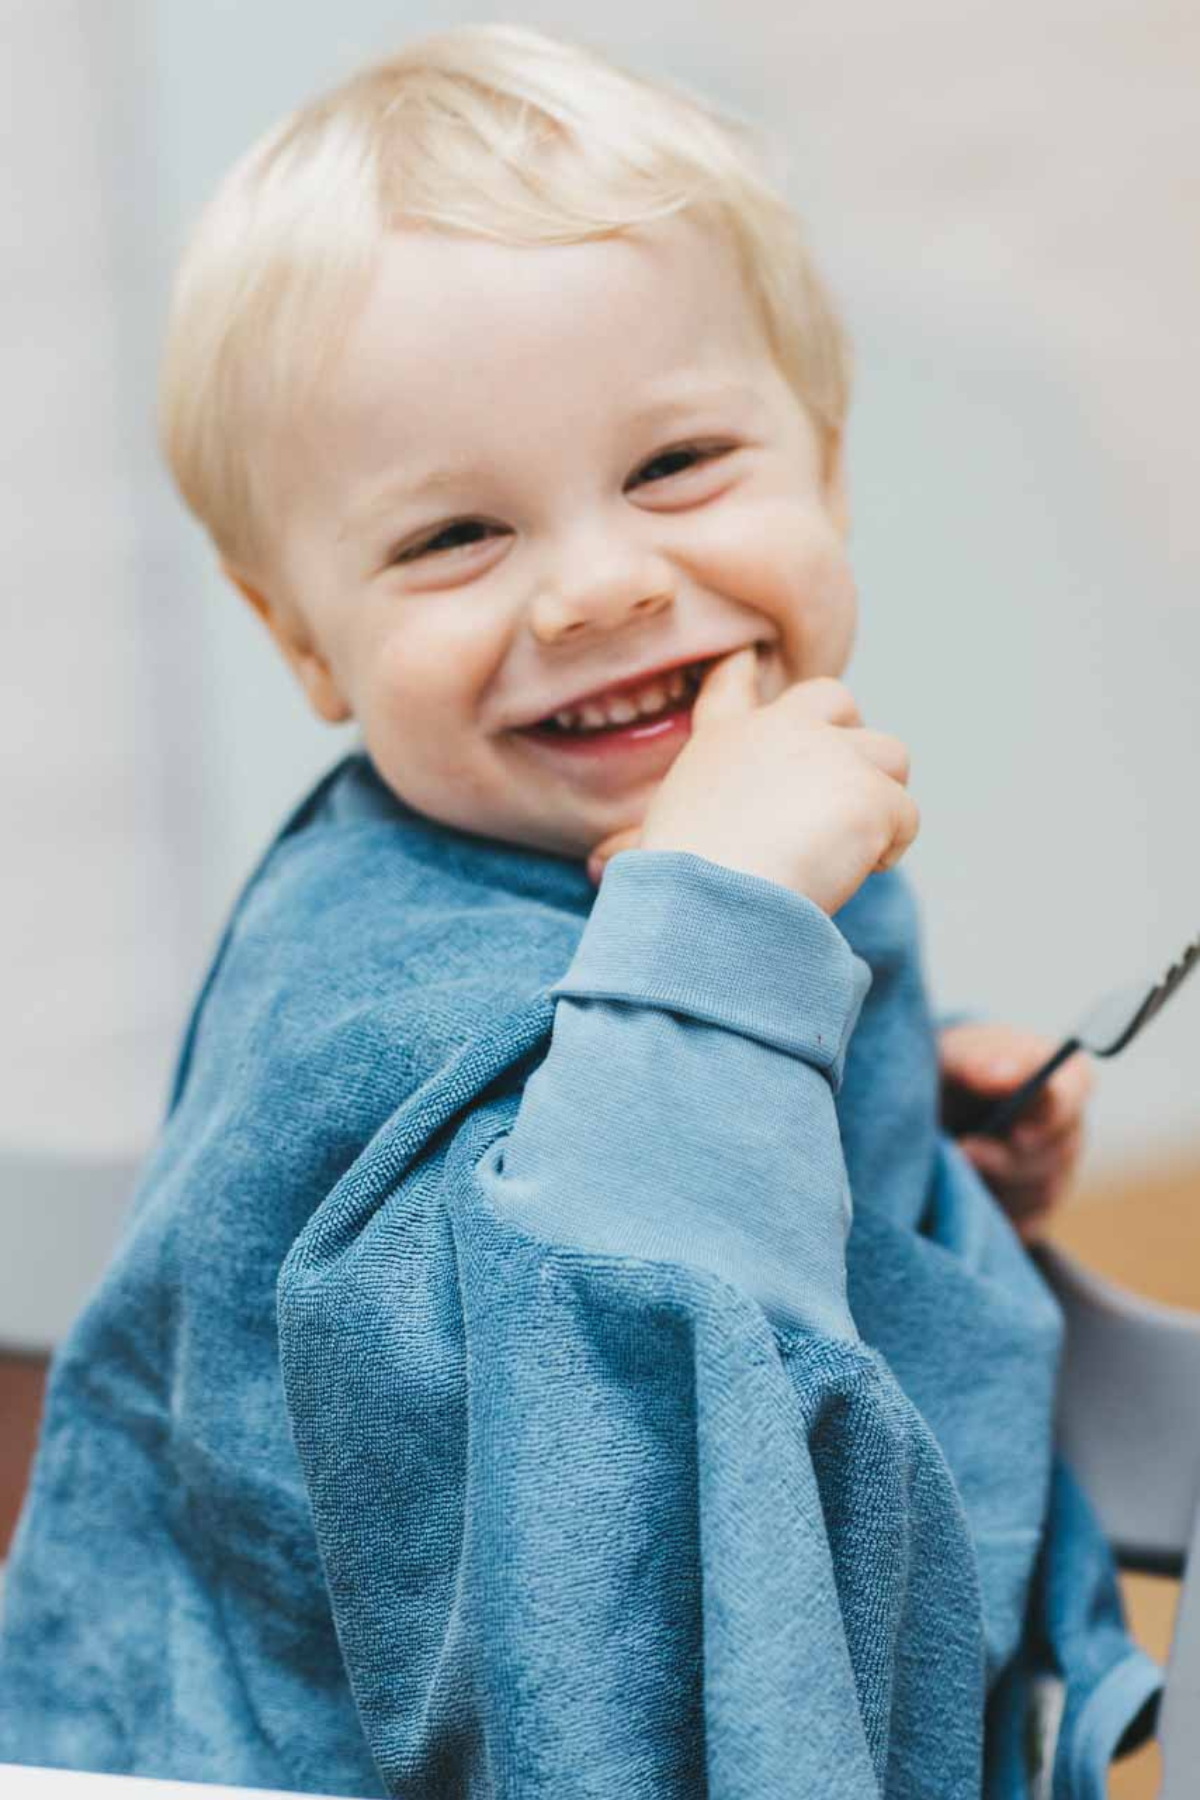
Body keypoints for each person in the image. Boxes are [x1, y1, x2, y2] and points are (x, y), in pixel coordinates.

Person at [0, 22, 1162, 1796]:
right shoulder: (380, 1002)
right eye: (456, 536)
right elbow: (572, 1589)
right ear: (302, 637)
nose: (603, 585)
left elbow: (724, 1257)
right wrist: (724, 957)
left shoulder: (732, 867)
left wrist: (889, 1154)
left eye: (679, 464)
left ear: (828, 474)